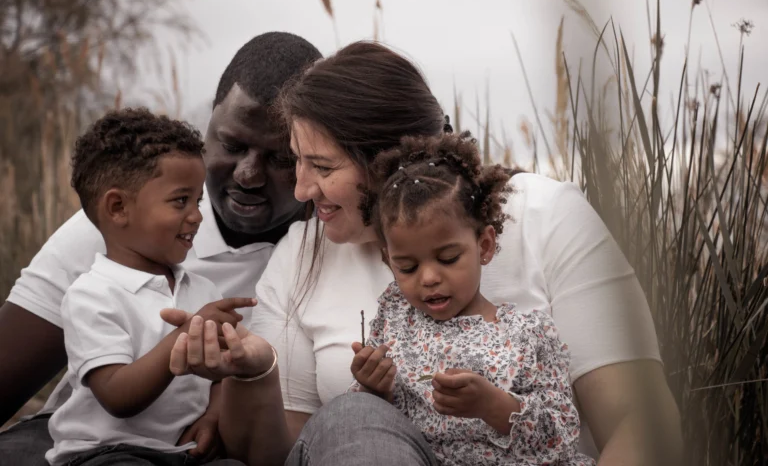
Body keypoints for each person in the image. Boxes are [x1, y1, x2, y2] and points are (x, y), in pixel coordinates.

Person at [164, 41, 682, 466]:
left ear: (389, 159)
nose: (301, 191)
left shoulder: (547, 216)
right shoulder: (301, 257)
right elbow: (280, 455)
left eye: (321, 168)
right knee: (354, 418)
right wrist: (254, 373)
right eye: (296, 162)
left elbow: (643, 425)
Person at [0, 32, 322, 465]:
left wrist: (219, 410)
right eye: (231, 145)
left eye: (280, 158)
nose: (248, 174)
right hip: (87, 447)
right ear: (209, 124)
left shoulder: (328, 245)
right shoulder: (119, 223)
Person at [348, 131, 595, 465]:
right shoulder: (394, 321)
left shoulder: (528, 337)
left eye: (448, 258)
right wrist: (373, 390)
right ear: (387, 260)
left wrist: (493, 406)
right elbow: (376, 435)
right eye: (407, 267)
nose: (430, 278)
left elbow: (562, 438)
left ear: (484, 246)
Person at [45, 108, 252, 466]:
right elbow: (118, 396)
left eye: (198, 201)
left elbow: (222, 376)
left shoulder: (203, 291)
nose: (198, 215)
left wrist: (213, 415)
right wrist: (187, 335)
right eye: (180, 200)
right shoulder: (91, 296)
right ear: (118, 208)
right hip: (107, 453)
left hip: (182, 454)